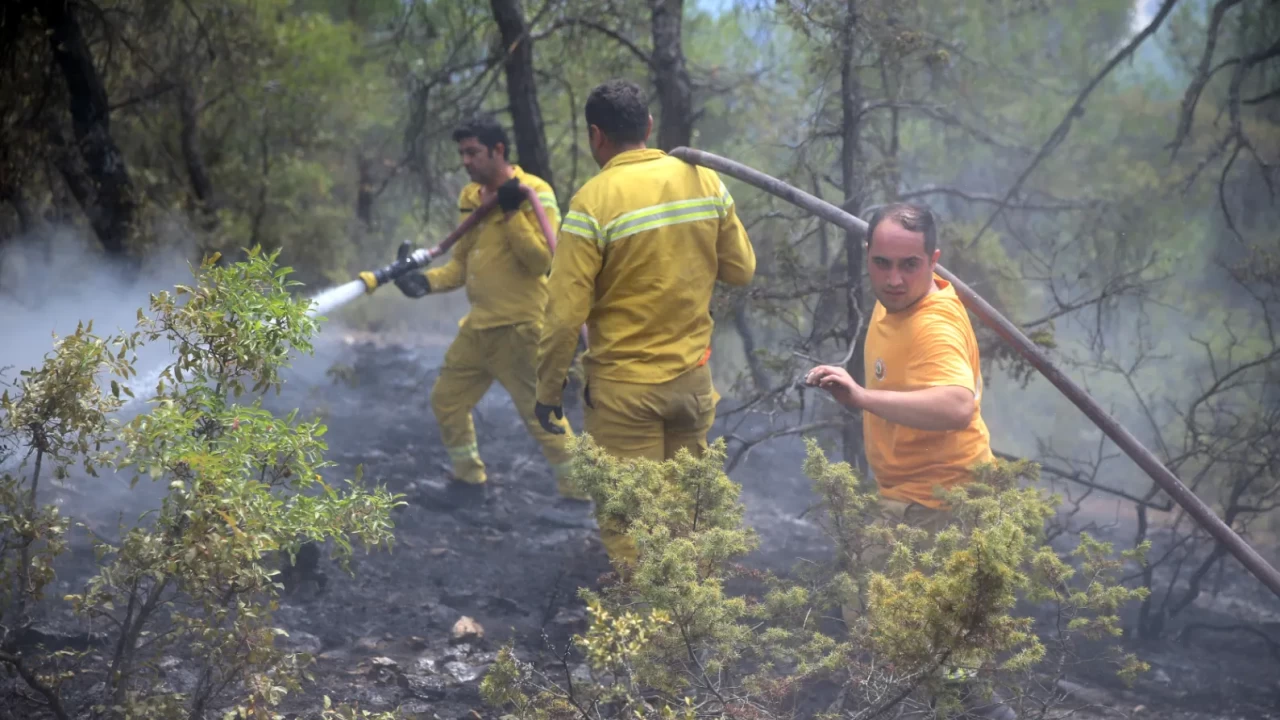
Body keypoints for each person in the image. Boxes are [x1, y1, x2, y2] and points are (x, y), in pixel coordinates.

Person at [533, 78, 756, 568]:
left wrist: (548, 391)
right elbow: (742, 269)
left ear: (596, 136)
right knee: (687, 521)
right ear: (649, 126)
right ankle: (692, 614)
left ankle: (647, 616)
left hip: (624, 395)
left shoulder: (592, 202)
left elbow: (564, 315)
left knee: (631, 528)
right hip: (692, 387)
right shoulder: (703, 181)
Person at [805, 202, 1014, 720]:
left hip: (945, 504)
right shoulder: (892, 303)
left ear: (933, 261)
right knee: (875, 625)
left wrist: (863, 398)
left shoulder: (933, 325)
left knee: (943, 660)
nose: (894, 279)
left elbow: (958, 405)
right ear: (868, 257)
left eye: (909, 265)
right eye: (882, 263)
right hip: (905, 499)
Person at [394, 113, 583, 508]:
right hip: (479, 328)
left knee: (541, 416)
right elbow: (461, 265)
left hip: (521, 329)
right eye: (462, 153)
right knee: (447, 400)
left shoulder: (535, 191)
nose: (465, 161)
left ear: (498, 150)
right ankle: (469, 481)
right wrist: (424, 283)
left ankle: (579, 494)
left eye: (473, 152)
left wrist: (513, 214)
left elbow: (542, 261)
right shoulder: (471, 198)